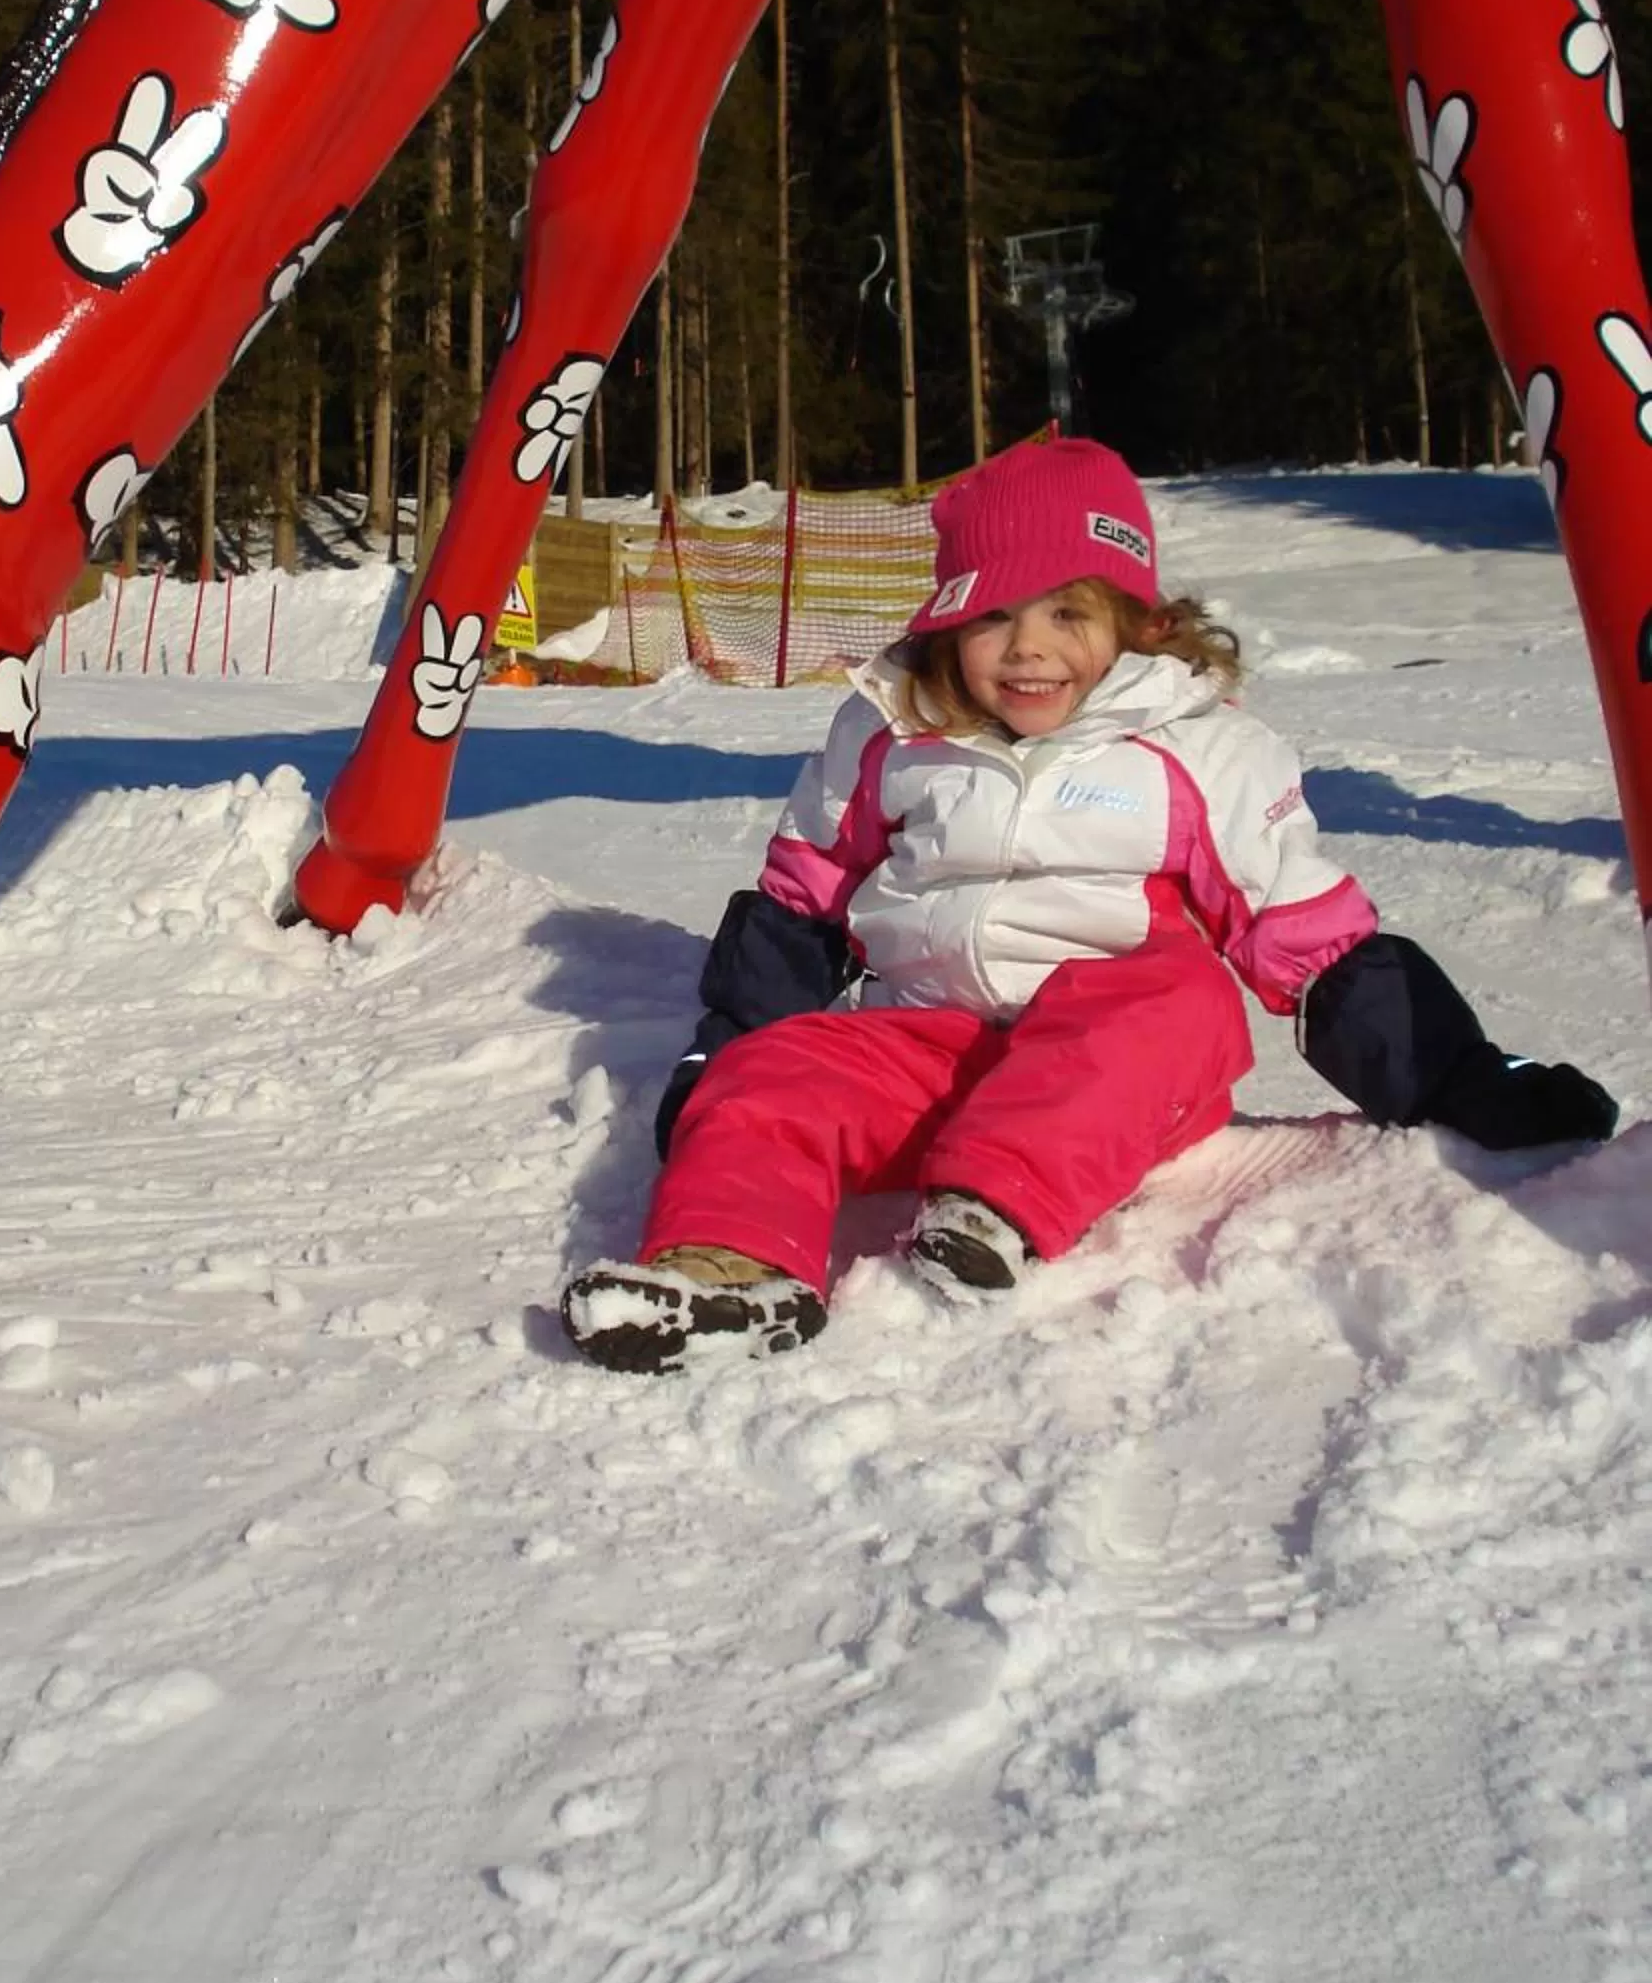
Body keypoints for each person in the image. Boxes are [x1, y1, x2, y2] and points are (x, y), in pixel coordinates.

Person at [560, 436, 1617, 1376]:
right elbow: (805, 906)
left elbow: (1313, 943)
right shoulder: (887, 738)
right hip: (932, 1045)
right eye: (994, 617)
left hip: (1120, 1069)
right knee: (775, 1073)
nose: (1028, 649)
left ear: (1133, 620)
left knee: (1182, 993)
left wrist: (1468, 1082)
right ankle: (731, 1268)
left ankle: (997, 1204)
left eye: (1069, 613)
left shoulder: (1199, 753)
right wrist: (726, 1055)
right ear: (947, 627)